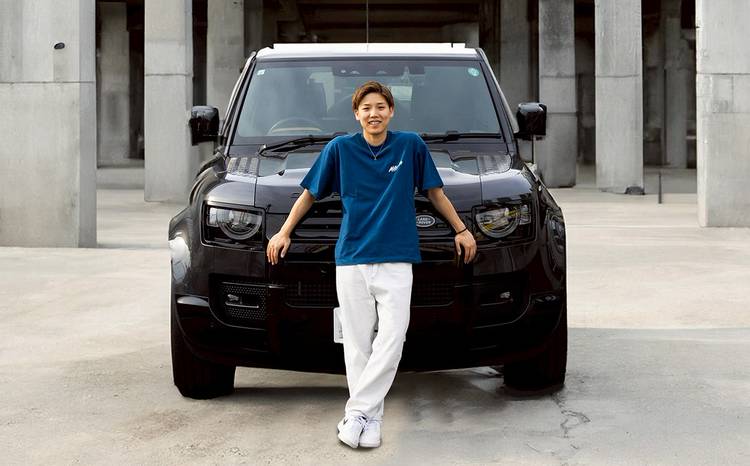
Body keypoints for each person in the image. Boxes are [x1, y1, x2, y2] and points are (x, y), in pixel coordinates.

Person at [266, 81, 477, 449]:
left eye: (380, 107)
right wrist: (284, 232)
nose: (373, 113)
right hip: (352, 258)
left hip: (397, 258)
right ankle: (372, 420)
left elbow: (435, 193)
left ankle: (356, 413)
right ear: (356, 114)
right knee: (357, 344)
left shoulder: (410, 145)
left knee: (393, 339)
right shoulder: (340, 149)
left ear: (391, 111)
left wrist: (461, 229)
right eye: (366, 108)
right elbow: (309, 195)